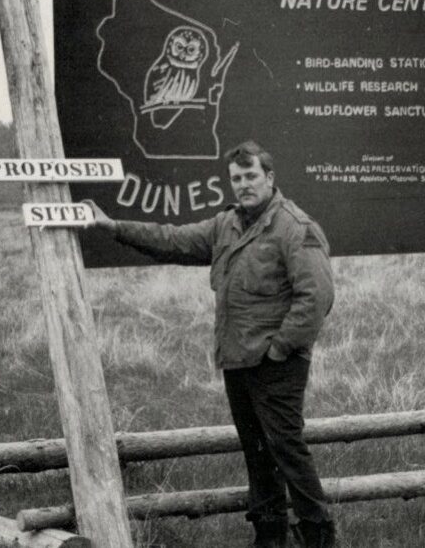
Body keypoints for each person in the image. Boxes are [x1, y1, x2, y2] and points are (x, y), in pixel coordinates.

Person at [85, 140, 337, 548]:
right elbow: (172, 239)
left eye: (251, 176)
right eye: (236, 178)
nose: (243, 185)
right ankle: (270, 537)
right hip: (237, 360)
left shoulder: (295, 227)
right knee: (257, 454)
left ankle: (320, 537)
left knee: (287, 448)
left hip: (276, 364)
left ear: (269, 178)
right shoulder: (227, 225)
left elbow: (317, 297)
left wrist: (279, 349)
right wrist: (113, 227)